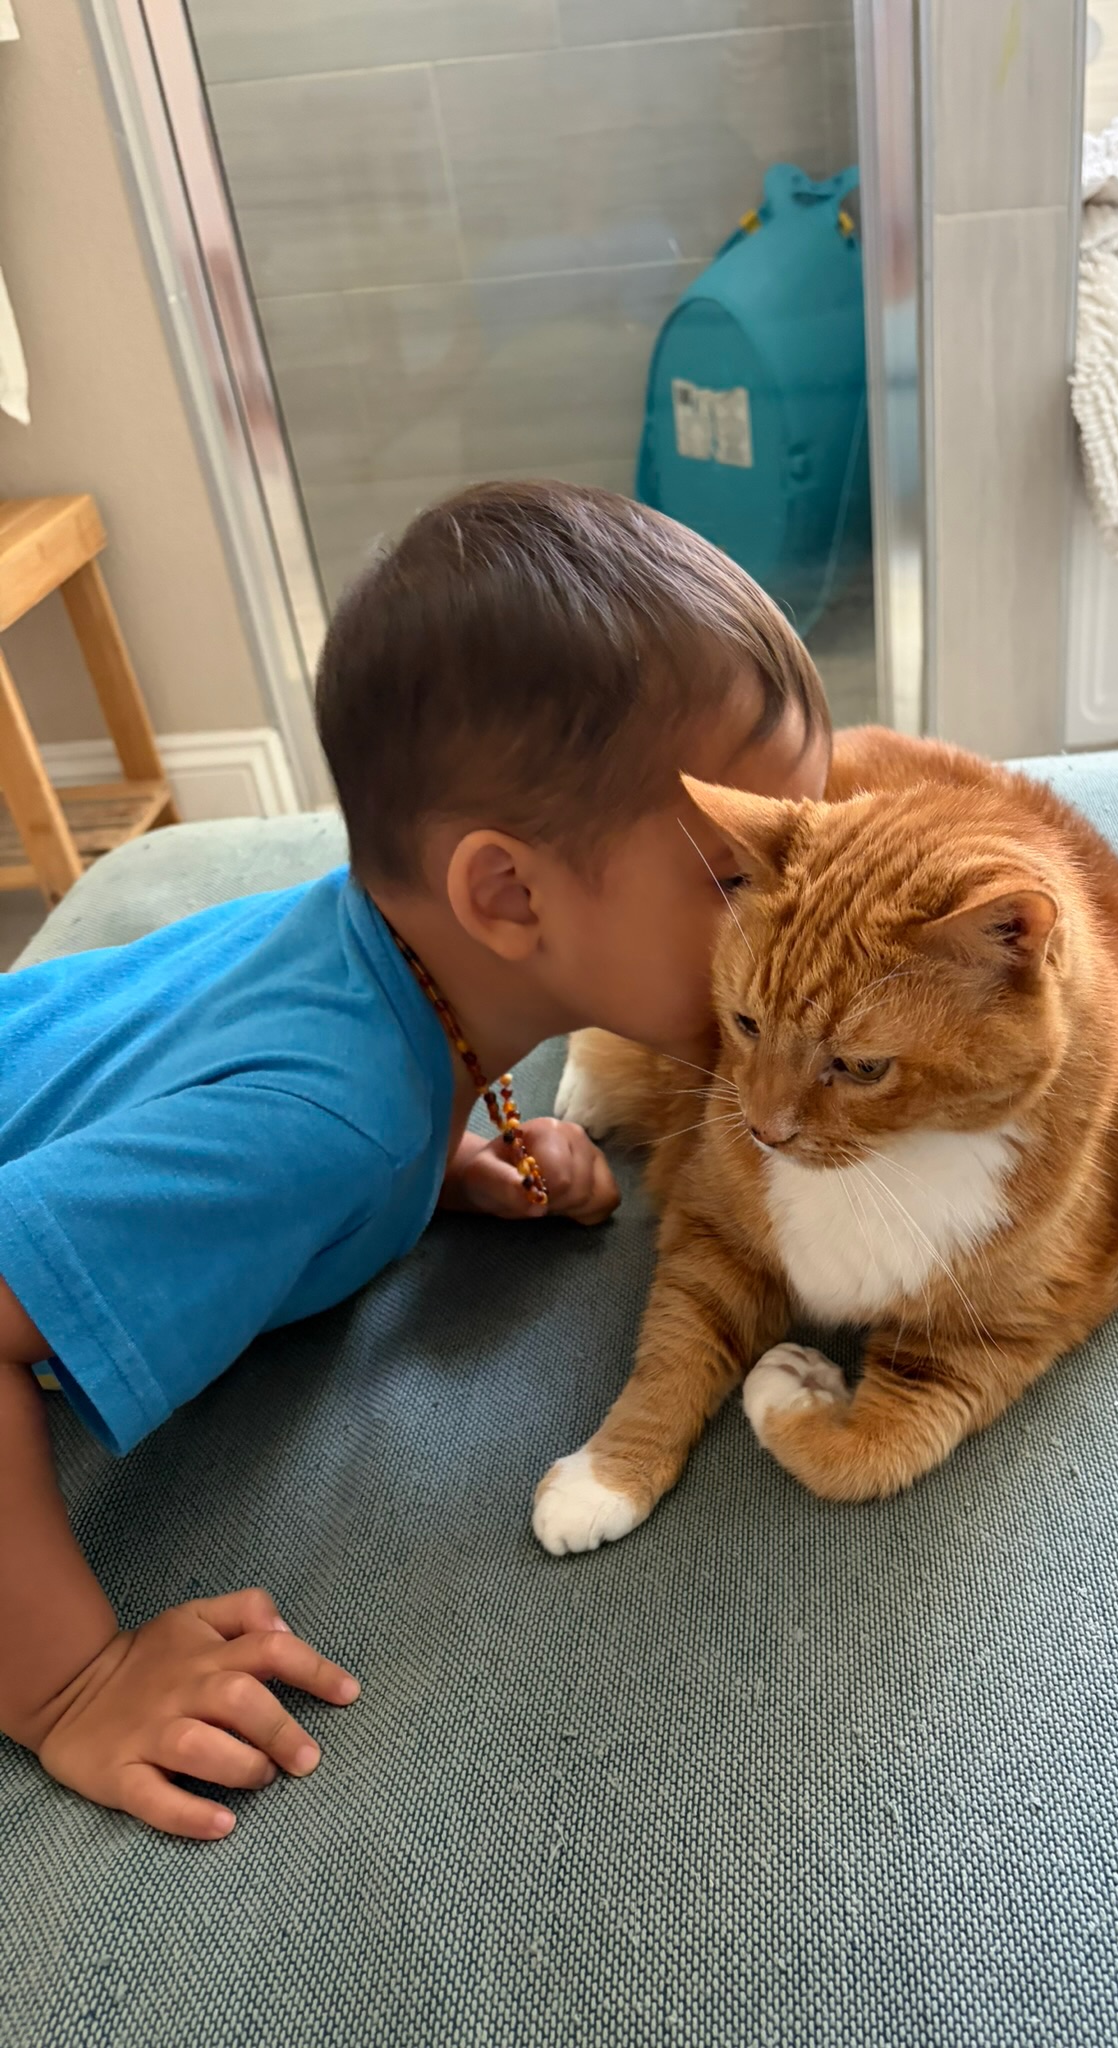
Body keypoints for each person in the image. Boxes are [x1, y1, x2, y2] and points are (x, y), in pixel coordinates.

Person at [0, 481, 831, 1839]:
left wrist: (441, 1166)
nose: (805, 911)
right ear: (506, 894)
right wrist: (70, 1685)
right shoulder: (325, 1125)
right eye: (741, 875)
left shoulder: (389, 971)